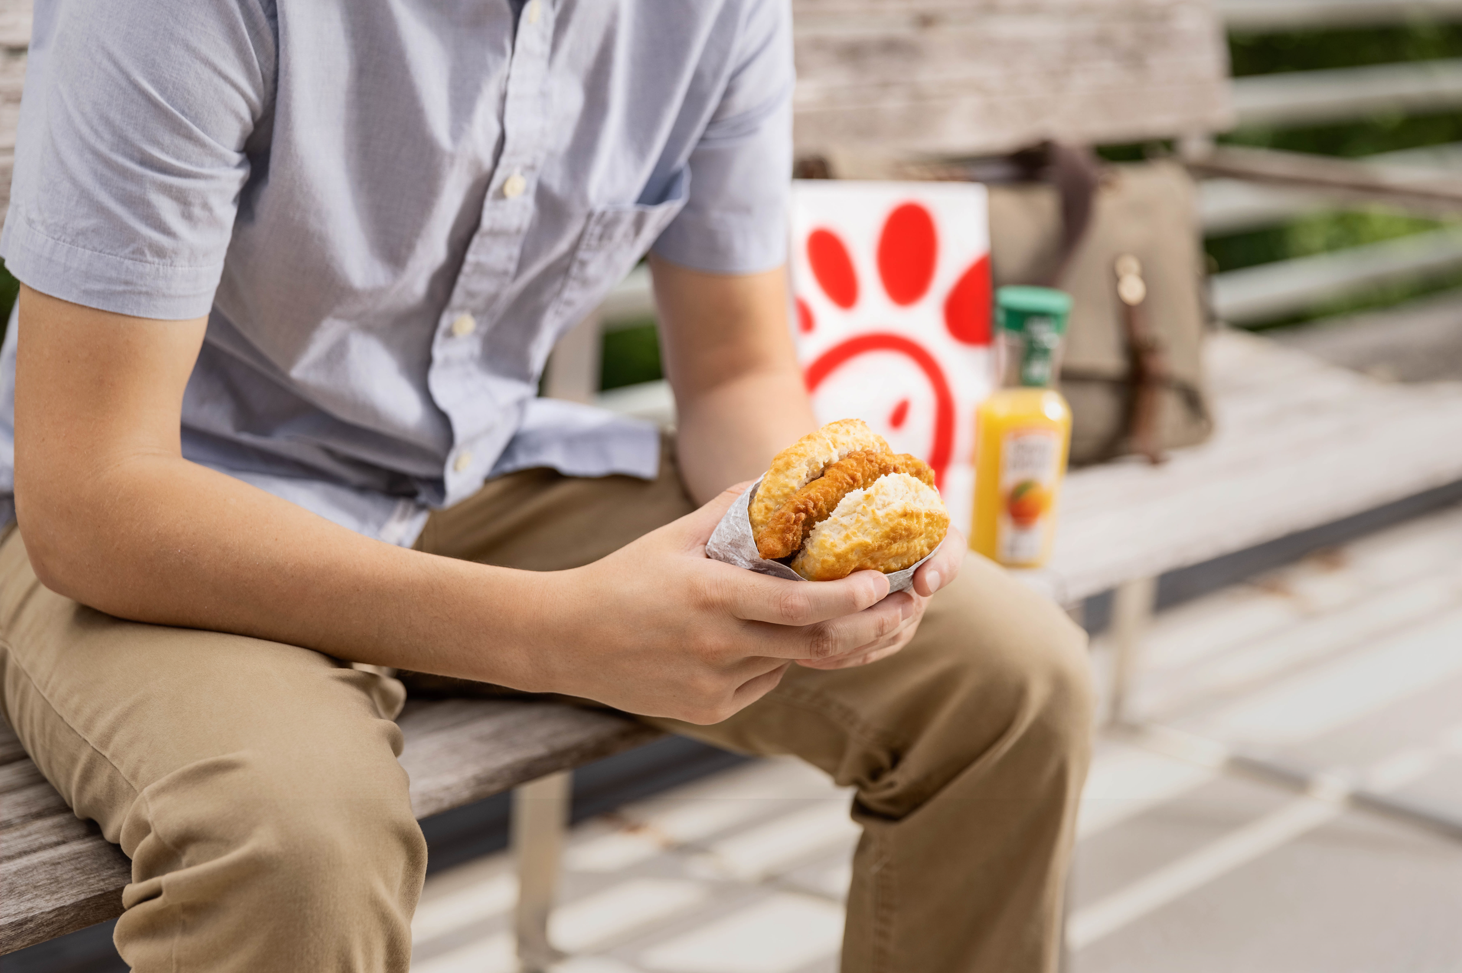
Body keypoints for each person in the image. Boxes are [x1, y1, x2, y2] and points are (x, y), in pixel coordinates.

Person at [0, 1, 1093, 970]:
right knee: (298, 847)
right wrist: (552, 629)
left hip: (476, 473)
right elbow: (96, 492)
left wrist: (808, 563)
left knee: (1011, 675)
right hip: (175, 514)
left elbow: (734, 372)